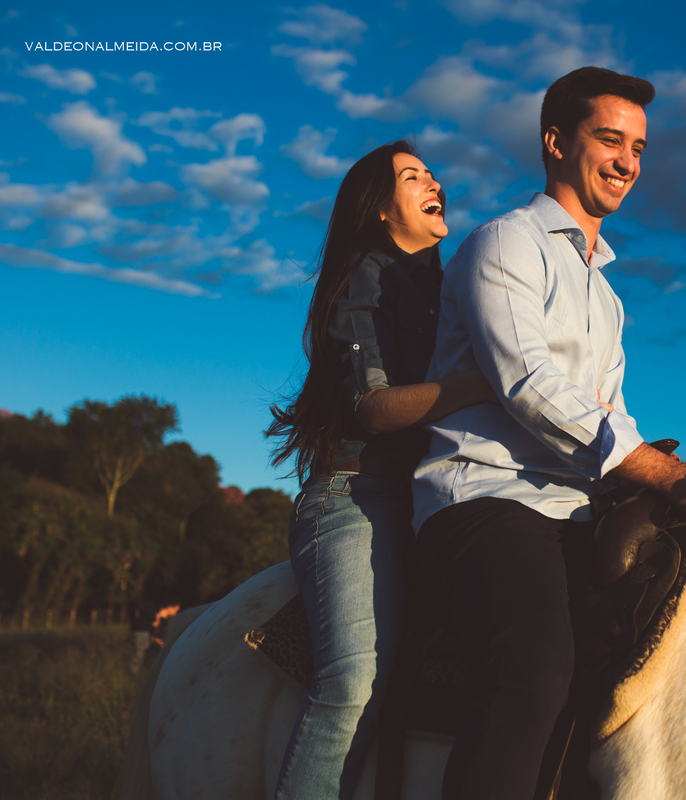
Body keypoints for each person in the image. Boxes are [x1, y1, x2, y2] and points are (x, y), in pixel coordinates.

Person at [412, 66, 686, 800]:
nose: (628, 162)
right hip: (487, 499)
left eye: (639, 148)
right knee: (533, 669)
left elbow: (609, 414)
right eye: (610, 140)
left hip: (576, 508)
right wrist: (660, 474)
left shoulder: (606, 292)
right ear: (556, 142)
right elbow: (528, 385)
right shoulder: (505, 242)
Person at [265, 140, 495, 800]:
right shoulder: (366, 274)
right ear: (379, 211)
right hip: (356, 496)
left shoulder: (453, 291)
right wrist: (490, 382)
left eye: (433, 174)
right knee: (352, 683)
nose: (434, 184)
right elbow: (373, 407)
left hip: (434, 499)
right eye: (413, 177)